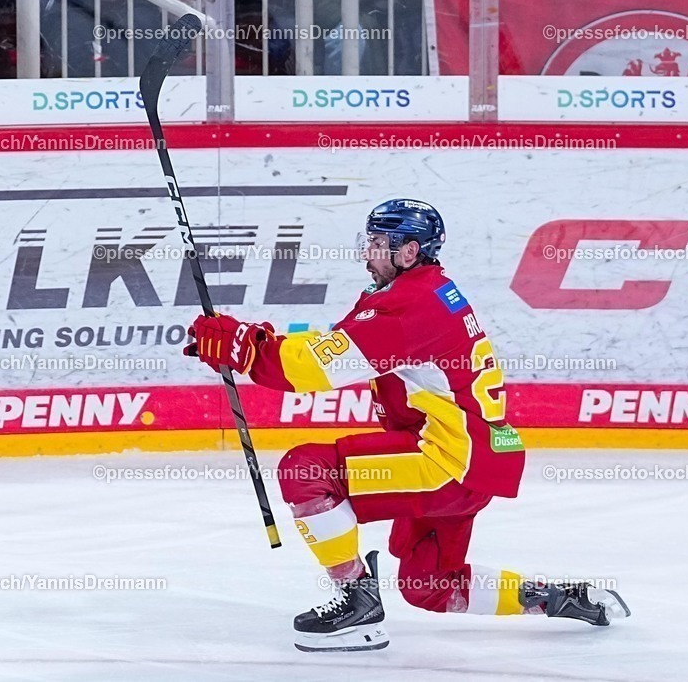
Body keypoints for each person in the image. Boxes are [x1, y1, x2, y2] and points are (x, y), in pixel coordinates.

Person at [185, 198, 629, 652]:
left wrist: (242, 346)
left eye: (378, 243)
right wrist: (251, 341)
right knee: (432, 586)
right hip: (477, 460)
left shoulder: (409, 305)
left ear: (409, 251)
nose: (367, 253)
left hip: (445, 459)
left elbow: (312, 371)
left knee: (307, 470)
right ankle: (559, 598)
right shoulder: (427, 291)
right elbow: (335, 348)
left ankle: (357, 604)